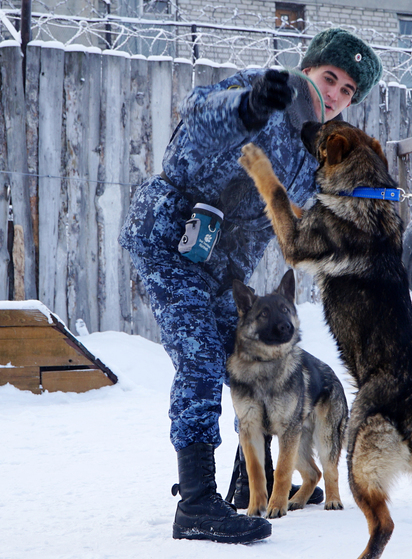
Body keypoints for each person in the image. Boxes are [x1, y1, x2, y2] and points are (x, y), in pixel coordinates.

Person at [119, 28, 382, 544]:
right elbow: (197, 121)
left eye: (347, 91)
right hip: (170, 242)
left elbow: (310, 215)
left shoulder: (318, 149)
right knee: (199, 360)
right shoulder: (265, 90)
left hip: (222, 272)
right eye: (330, 78)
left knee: (252, 363)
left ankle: (246, 483)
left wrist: (368, 201)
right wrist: (250, 106)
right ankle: (196, 503)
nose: (334, 94)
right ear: (308, 70)